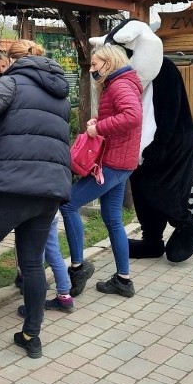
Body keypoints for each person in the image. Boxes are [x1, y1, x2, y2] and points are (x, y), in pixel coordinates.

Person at [0, 39, 71, 358]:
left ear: (11, 60)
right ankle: (31, 335)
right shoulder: (60, 92)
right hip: (48, 190)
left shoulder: (9, 82)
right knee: (32, 262)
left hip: (8, 186)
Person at [61, 44, 142, 299]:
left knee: (69, 204)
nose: (92, 70)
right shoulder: (122, 82)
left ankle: (79, 267)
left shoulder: (119, 84)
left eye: (95, 65)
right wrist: (100, 123)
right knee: (113, 219)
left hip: (113, 164)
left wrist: (100, 128)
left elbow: (132, 116)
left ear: (109, 62)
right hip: (121, 162)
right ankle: (123, 280)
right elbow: (125, 116)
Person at [15, 212, 75, 316]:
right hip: (52, 211)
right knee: (54, 255)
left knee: (35, 262)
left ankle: (35, 309)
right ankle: (65, 298)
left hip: (34, 214)